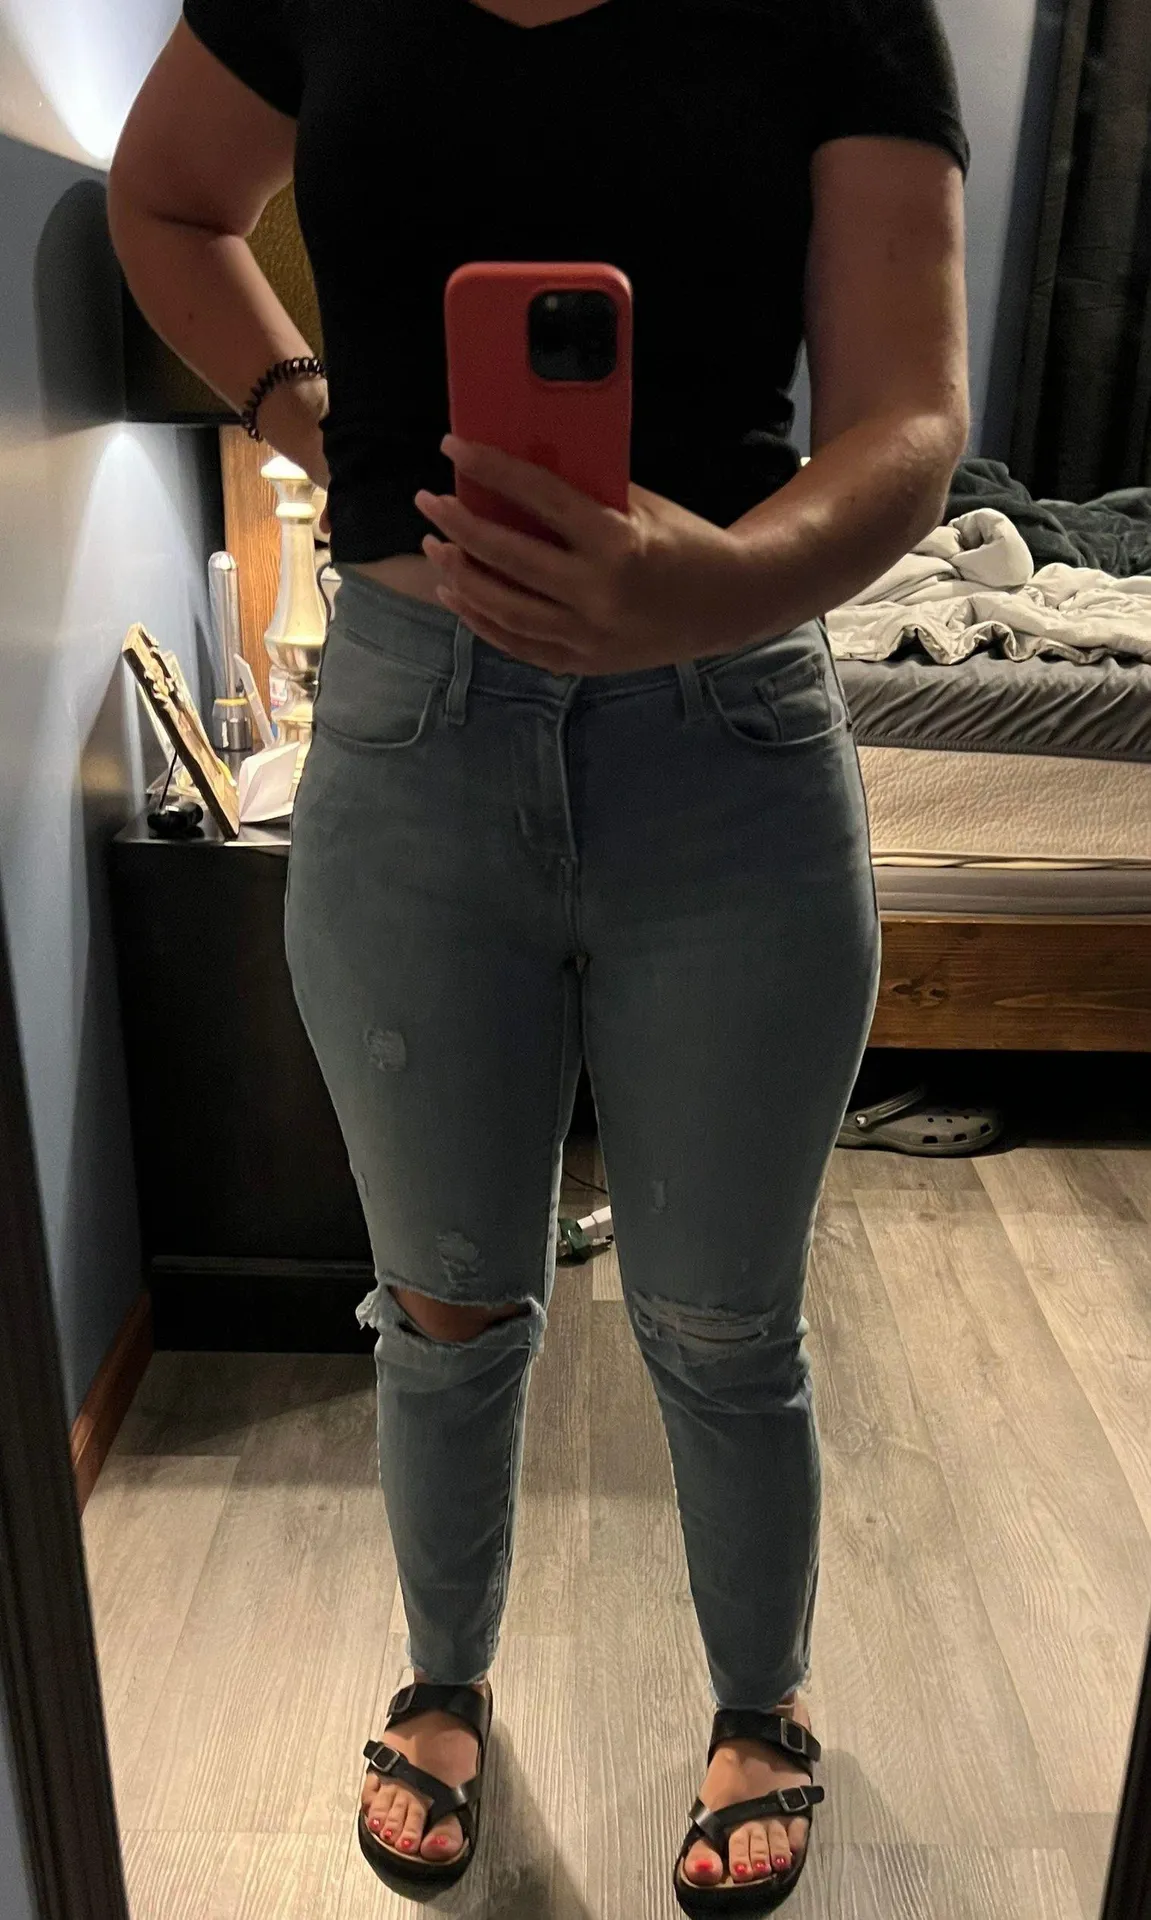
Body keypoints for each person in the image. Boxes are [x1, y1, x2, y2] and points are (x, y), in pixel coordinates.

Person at [109, 1, 968, 1908]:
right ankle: (440, 1683)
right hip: (408, 736)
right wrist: (304, 409)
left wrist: (719, 585)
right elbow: (166, 202)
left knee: (726, 1318)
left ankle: (759, 1704)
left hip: (727, 736)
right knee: (438, 1299)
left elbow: (909, 417)